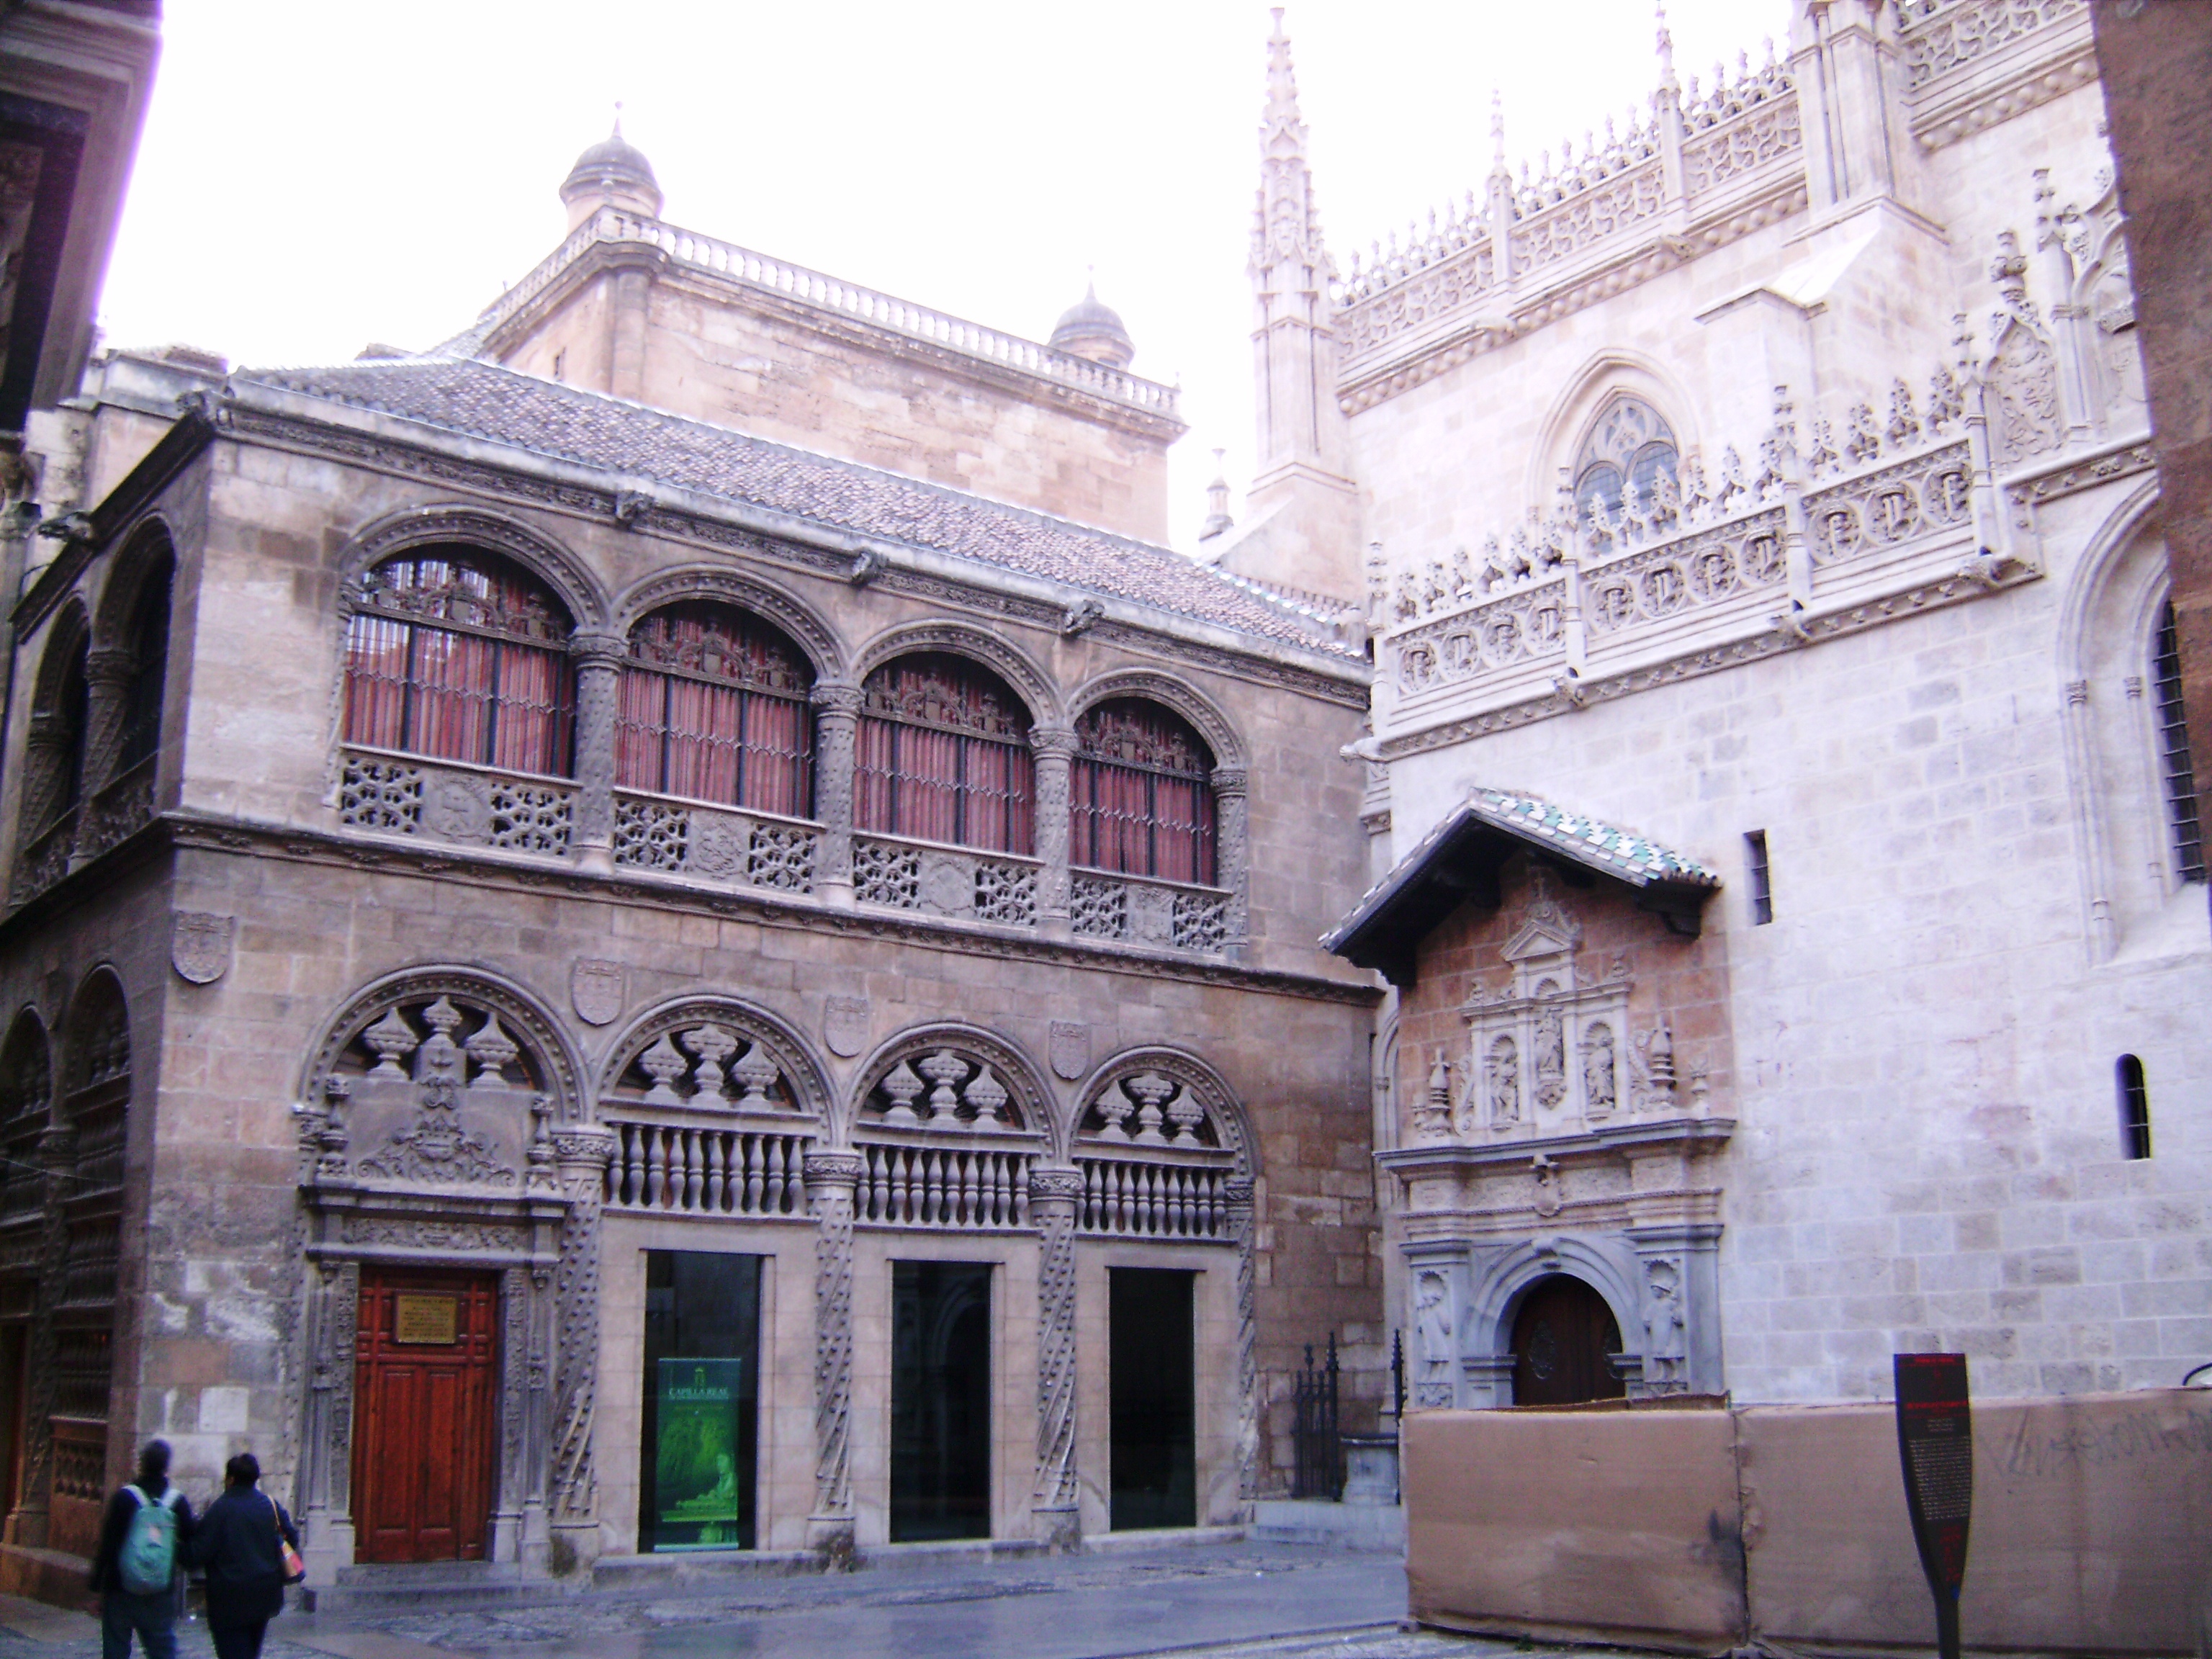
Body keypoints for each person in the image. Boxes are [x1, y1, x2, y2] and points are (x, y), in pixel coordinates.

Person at [185, 1454, 298, 1659]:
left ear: (230, 1479)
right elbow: (292, 1539)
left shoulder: (221, 1509)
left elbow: (198, 1553)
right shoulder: (269, 1505)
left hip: (229, 1598)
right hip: (264, 1594)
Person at [89, 1439, 194, 1659]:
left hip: (120, 1587)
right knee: (161, 1649)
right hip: (160, 1589)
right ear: (167, 1467)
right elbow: (191, 1539)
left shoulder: (124, 1498)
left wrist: (97, 1585)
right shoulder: (176, 1502)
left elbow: (108, 1544)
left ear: (141, 1464)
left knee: (116, 1647)